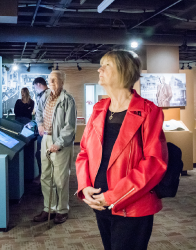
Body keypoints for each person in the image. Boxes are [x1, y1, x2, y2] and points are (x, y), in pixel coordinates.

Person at [75, 50, 168, 250]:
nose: (99, 69)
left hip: (132, 206)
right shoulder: (99, 109)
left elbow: (154, 162)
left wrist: (113, 196)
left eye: (106, 65)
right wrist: (84, 187)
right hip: (99, 202)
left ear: (124, 71)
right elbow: (84, 152)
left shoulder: (149, 111)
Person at [33, 70, 77, 224]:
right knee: (45, 176)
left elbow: (69, 126)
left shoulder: (68, 100)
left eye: (55, 80)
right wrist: (39, 124)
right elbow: (38, 112)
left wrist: (58, 143)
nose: (51, 83)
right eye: (50, 80)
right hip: (45, 138)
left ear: (62, 82)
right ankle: (49, 208)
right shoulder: (44, 96)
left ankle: (62, 210)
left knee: (60, 178)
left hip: (60, 142)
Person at [32, 77, 49, 180]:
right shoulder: (44, 95)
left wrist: (41, 124)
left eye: (35, 87)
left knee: (40, 154)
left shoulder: (45, 96)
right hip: (44, 130)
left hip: (45, 132)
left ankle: (44, 178)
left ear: (38, 84)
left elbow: (41, 113)